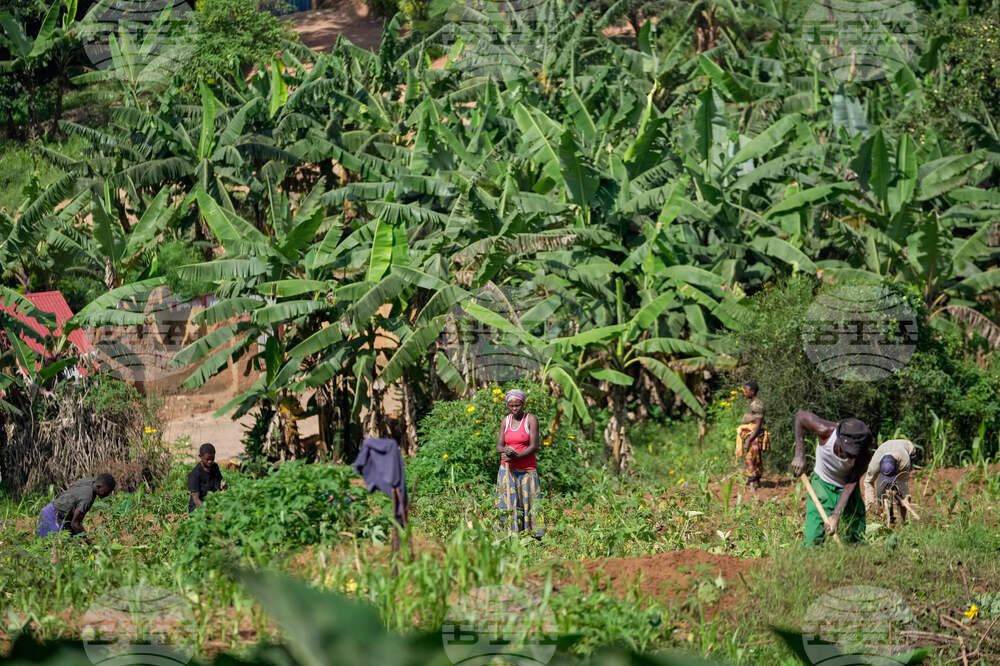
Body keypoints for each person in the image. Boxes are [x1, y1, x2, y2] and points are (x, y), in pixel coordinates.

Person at [792, 412, 873, 546]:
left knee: (856, 535)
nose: (849, 456)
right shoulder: (826, 431)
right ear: (840, 441)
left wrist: (836, 514)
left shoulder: (864, 455)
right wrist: (799, 454)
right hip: (822, 484)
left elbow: (852, 482)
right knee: (813, 538)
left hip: (848, 489)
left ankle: (857, 562)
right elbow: (800, 417)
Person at [495, 388, 545, 539]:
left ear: (523, 404)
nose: (514, 409)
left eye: (517, 405)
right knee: (508, 502)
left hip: (527, 470)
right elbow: (499, 445)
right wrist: (505, 451)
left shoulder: (531, 419)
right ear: (507, 406)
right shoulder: (506, 421)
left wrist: (516, 456)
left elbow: (534, 446)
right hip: (507, 469)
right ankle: (507, 534)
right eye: (511, 406)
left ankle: (535, 536)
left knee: (530, 503)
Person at [36, 474, 116, 538]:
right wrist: (91, 544)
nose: (108, 494)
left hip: (53, 510)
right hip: (52, 516)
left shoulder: (90, 481)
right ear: (99, 487)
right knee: (53, 549)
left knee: (69, 544)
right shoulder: (87, 497)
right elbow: (75, 524)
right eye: (107, 491)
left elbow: (72, 485)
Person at [862, 438, 916, 523]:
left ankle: (903, 521)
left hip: (907, 448)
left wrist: (906, 497)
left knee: (900, 494)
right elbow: (868, 482)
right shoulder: (874, 465)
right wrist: (870, 503)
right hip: (885, 448)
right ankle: (887, 519)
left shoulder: (905, 461)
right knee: (880, 492)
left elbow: (903, 482)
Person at [735, 381, 770, 490]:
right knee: (755, 459)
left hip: (754, 436)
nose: (744, 393)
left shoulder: (757, 404)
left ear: (752, 391)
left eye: (746, 391)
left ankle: (753, 484)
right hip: (752, 435)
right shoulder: (753, 403)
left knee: (751, 459)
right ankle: (756, 483)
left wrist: (750, 439)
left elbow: (759, 423)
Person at [188, 443, 226, 513]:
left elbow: (218, 485)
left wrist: (223, 487)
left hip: (212, 504)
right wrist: (210, 513)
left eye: (212, 459)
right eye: (207, 459)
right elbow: (196, 500)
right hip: (198, 510)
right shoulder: (195, 474)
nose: (210, 461)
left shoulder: (215, 467)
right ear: (200, 457)